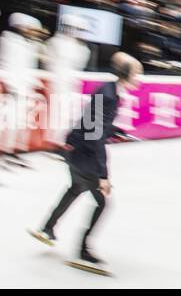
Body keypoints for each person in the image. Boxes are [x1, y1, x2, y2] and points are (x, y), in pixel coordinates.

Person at [29, 51, 142, 274]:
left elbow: (93, 124)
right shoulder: (109, 96)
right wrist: (102, 176)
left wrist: (117, 131)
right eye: (138, 73)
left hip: (75, 152)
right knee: (102, 203)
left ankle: (47, 229)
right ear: (126, 74)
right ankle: (83, 251)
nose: (140, 78)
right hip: (84, 156)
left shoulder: (110, 92)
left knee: (75, 189)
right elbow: (95, 137)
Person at [1, 13, 46, 168]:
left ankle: (12, 151)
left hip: (24, 90)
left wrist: (33, 82)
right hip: (13, 90)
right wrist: (12, 86)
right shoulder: (9, 41)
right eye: (30, 29)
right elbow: (9, 66)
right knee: (9, 123)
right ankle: (6, 152)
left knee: (19, 124)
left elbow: (26, 69)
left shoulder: (27, 44)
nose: (33, 32)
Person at [42, 16, 92, 144]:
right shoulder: (55, 42)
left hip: (72, 84)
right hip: (58, 82)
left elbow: (80, 64)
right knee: (58, 113)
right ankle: (56, 141)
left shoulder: (82, 48)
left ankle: (65, 140)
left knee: (72, 114)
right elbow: (48, 62)